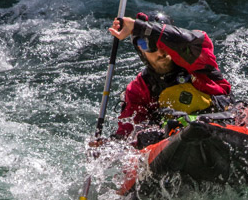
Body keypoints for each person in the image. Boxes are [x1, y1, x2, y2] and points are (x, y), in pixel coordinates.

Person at [93, 11, 233, 147]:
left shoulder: (196, 59)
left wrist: (139, 27)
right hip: (177, 140)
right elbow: (128, 133)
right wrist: (107, 146)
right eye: (148, 45)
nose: (160, 52)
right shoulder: (140, 87)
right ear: (140, 51)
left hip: (219, 122)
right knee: (146, 136)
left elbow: (191, 40)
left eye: (163, 44)